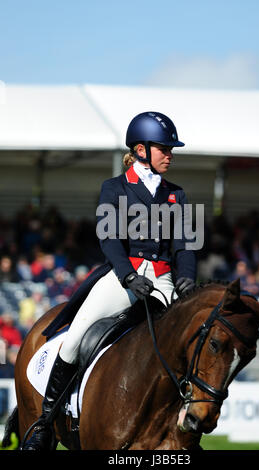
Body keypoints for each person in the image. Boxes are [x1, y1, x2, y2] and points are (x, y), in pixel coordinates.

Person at [23, 111, 197, 450]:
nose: (170, 154)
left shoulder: (178, 195)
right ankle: (44, 422)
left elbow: (185, 246)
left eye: (170, 149)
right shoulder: (114, 188)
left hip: (163, 281)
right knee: (73, 340)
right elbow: (110, 241)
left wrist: (187, 278)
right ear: (141, 149)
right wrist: (129, 276)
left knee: (192, 346)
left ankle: (184, 425)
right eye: (164, 148)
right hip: (122, 277)